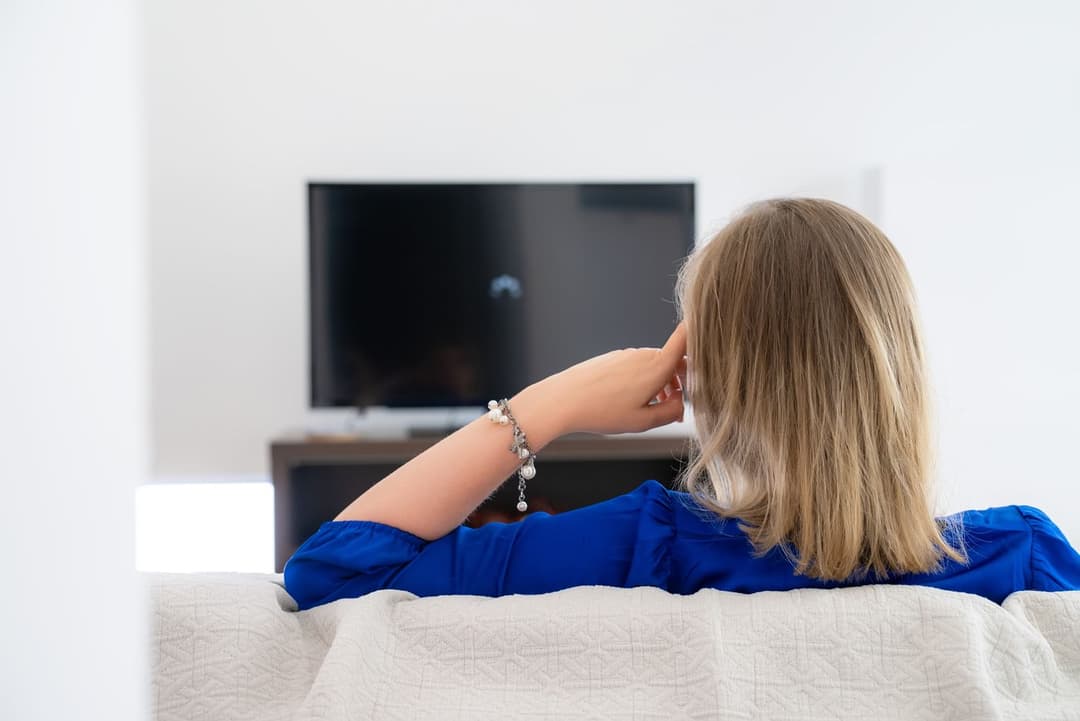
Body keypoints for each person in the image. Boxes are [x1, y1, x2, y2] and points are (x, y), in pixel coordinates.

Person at [284, 197, 1080, 611]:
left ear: (707, 372)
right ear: (897, 367)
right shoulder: (1027, 556)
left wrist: (552, 401)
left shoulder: (647, 544)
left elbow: (332, 573)